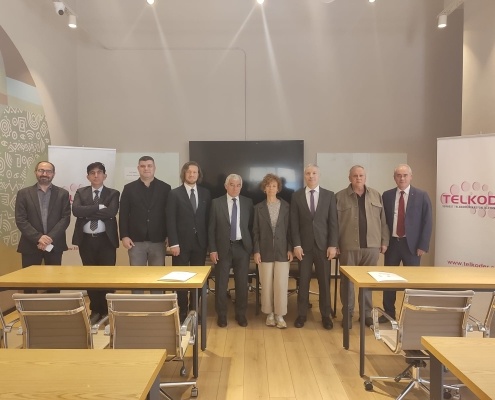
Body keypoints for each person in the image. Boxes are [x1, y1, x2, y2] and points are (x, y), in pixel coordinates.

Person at [335, 165, 389, 328]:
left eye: (361, 175)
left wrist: (384, 241)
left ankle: (366, 314)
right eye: (355, 175)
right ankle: (348, 314)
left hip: (371, 246)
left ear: (365, 177)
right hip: (348, 246)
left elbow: (383, 221)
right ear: (349, 178)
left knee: (368, 282)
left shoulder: (376, 195)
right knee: (347, 283)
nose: (358, 178)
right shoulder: (339, 197)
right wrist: (335, 244)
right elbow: (333, 224)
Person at [380, 164, 432, 322]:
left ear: (411, 177)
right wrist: (383, 241)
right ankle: (389, 313)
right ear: (394, 178)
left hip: (413, 246)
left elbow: (427, 221)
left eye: (405, 175)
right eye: (398, 175)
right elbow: (383, 221)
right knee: (389, 281)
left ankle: (411, 315)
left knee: (412, 281)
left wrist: (423, 245)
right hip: (392, 244)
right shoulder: (387, 195)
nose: (402, 178)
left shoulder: (422, 195)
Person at [290, 164, 338, 330]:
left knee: (324, 282)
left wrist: (333, 245)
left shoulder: (329, 195)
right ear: (304, 176)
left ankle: (326, 315)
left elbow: (333, 223)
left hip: (323, 247)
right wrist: (296, 244)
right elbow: (294, 223)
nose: (311, 176)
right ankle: (301, 314)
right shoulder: (296, 196)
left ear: (319, 175)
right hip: (303, 247)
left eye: (314, 173)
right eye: (308, 173)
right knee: (303, 282)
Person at [72, 162, 120, 324]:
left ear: (105, 175)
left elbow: (111, 211)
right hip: (86, 240)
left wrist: (86, 213)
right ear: (88, 176)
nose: (96, 175)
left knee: (107, 277)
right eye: (92, 173)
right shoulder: (81, 192)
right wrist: (99, 207)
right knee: (90, 276)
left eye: (99, 172)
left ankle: (107, 310)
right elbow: (76, 211)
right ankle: (95, 309)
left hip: (106, 241)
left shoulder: (113, 193)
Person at [15, 161, 71, 292]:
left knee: (54, 283)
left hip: (54, 244)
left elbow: (65, 218)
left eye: (48, 171)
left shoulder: (62, 194)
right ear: (35, 172)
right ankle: (29, 306)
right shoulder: (23, 193)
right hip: (30, 244)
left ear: (53, 174)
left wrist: (49, 238)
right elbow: (21, 219)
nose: (44, 174)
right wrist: (39, 238)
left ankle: (53, 306)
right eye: (41, 170)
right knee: (29, 284)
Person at [166, 161, 211, 321]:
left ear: (199, 175)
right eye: (189, 172)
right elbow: (170, 220)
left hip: (200, 243)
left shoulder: (205, 193)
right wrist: (174, 243)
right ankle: (183, 310)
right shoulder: (174, 194)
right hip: (180, 245)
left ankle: (194, 310)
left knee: (197, 279)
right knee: (181, 279)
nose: (192, 174)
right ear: (184, 174)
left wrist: (209, 244)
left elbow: (208, 220)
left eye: (195, 172)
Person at [119, 156, 171, 290]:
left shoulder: (165, 188)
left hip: (158, 240)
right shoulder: (129, 188)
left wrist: (169, 235)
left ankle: (157, 303)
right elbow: (123, 214)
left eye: (149, 166)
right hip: (135, 241)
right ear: (138, 168)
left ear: (154, 168)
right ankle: (137, 303)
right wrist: (124, 236)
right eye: (142, 166)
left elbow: (169, 214)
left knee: (158, 279)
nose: (146, 168)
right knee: (137, 279)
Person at [208, 174, 254, 328]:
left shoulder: (248, 203)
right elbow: (211, 229)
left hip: (242, 248)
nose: (235, 188)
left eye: (238, 185)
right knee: (221, 284)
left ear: (241, 186)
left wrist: (251, 247)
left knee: (242, 283)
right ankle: (222, 315)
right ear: (226, 186)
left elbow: (251, 227)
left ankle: (241, 314)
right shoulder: (216, 203)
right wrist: (212, 250)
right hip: (223, 248)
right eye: (232, 185)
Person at [253, 173, 293, 329]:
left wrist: (290, 248)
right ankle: (269, 313)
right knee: (266, 283)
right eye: (268, 185)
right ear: (264, 188)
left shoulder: (286, 207)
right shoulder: (258, 208)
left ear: (278, 188)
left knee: (281, 284)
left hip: (283, 251)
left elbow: (290, 230)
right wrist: (256, 251)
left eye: (274, 186)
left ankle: (280, 315)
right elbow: (255, 231)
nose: (271, 188)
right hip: (264, 251)